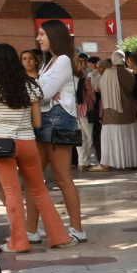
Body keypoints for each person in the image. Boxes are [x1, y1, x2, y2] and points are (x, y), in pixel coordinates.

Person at [0, 43, 72, 251]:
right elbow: (38, 123)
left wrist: (0, 117)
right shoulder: (31, 86)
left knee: (12, 192)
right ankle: (59, 236)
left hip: (1, 143)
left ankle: (18, 241)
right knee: (39, 190)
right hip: (28, 142)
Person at [31, 21, 87, 243]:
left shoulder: (62, 60)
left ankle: (77, 229)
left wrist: (37, 90)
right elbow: (41, 92)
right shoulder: (51, 62)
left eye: (42, 34)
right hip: (47, 121)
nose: (38, 38)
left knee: (63, 178)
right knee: (35, 178)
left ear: (54, 35)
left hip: (57, 122)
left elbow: (43, 93)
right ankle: (31, 230)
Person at [97, 51, 137, 170]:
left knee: (110, 139)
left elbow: (98, 88)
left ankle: (110, 163)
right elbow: (132, 90)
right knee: (128, 138)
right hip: (127, 112)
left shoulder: (106, 73)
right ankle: (130, 163)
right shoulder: (129, 73)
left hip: (109, 113)